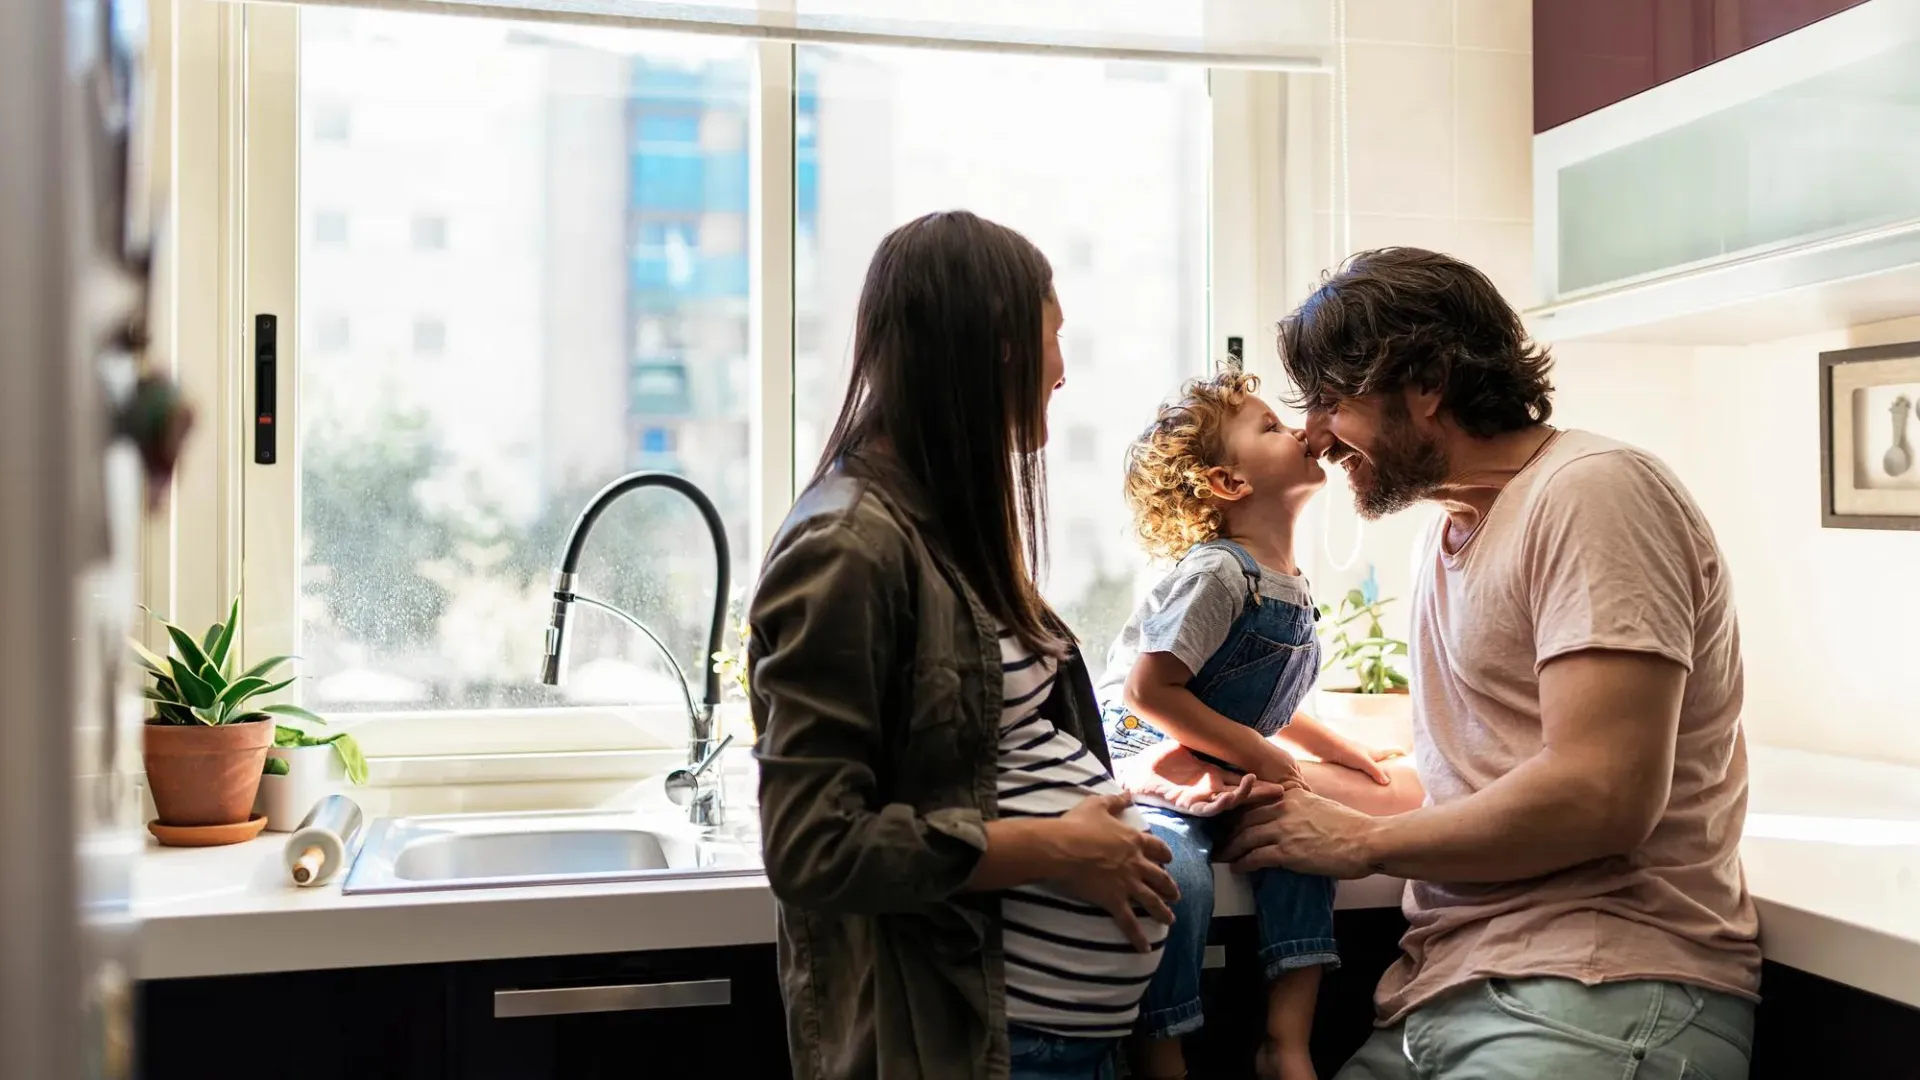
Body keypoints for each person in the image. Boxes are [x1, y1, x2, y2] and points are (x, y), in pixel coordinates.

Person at [1221, 247, 1761, 1079]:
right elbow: (1467, 785)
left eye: (1332, 400)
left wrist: (1364, 842)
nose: (1315, 438)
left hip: (1600, 986)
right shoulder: (1447, 538)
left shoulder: (1592, 492)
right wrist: (1245, 784)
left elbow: (1602, 795)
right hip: (1447, 993)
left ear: (1428, 381)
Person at [748, 210, 1182, 1080]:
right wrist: (1054, 847)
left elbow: (996, 751)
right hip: (970, 1045)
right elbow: (813, 847)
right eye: (1055, 339)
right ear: (999, 349)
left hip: (1054, 1043)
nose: (1064, 371)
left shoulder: (948, 525)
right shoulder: (847, 546)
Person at [1094, 370, 1424, 1080]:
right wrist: (1258, 754)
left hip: (1220, 759)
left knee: (1305, 850)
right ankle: (1162, 1049)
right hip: (1153, 760)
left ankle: (1286, 1042)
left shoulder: (1288, 581)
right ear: (1230, 482)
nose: (1301, 431)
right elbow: (1150, 691)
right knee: (1175, 871)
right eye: (1272, 428)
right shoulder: (1219, 574)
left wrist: (1342, 748)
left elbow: (1263, 697)